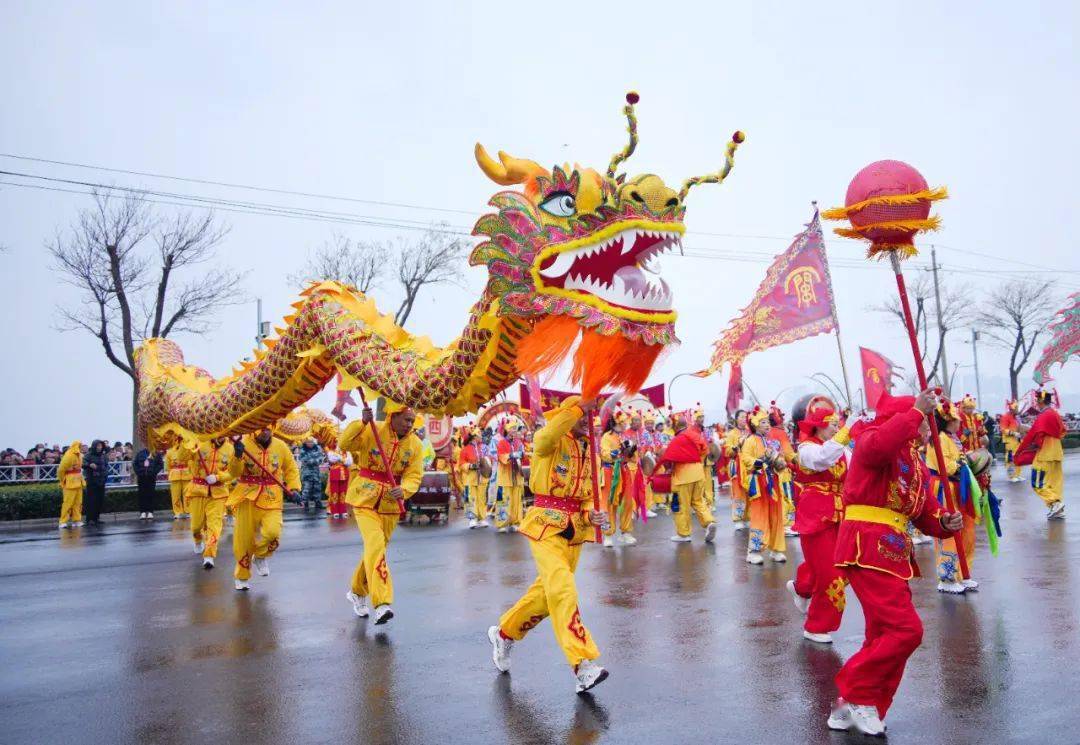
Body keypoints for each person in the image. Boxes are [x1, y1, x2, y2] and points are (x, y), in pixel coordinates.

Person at [829, 391, 962, 737]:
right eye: (922, 423)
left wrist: (943, 523)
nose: (925, 430)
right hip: (866, 544)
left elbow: (922, 512)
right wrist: (916, 412)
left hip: (893, 550)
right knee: (907, 630)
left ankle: (853, 706)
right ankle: (856, 691)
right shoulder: (873, 437)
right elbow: (878, 448)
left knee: (883, 634)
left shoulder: (916, 462)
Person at [487, 395, 611, 694]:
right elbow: (544, 437)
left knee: (547, 596)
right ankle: (582, 665)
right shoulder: (551, 439)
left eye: (589, 413)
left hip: (574, 532)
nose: (586, 418)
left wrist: (591, 513)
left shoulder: (589, 449)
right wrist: (579, 407)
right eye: (580, 413)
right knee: (563, 590)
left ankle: (504, 633)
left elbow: (585, 495)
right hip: (545, 526)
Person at [340, 401, 424, 625]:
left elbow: (414, 475)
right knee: (375, 545)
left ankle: (357, 591)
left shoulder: (415, 444)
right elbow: (344, 442)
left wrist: (404, 489)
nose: (410, 425)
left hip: (390, 504)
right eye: (406, 420)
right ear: (393, 416)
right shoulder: (372, 429)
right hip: (364, 498)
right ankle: (382, 603)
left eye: (412, 421)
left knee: (374, 551)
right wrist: (361, 423)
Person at [789, 405, 850, 643]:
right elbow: (823, 460)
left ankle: (802, 587)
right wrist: (849, 431)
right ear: (820, 425)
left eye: (839, 423)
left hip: (841, 514)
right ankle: (816, 625)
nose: (838, 427)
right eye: (834, 424)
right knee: (831, 574)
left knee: (842, 569)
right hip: (815, 516)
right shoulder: (807, 449)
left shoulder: (842, 449)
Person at [226, 428, 301, 591]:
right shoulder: (243, 443)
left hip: (272, 496)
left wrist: (294, 488)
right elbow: (233, 472)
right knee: (243, 539)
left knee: (273, 533)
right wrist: (237, 456)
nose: (265, 431)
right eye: (262, 428)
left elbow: (291, 468)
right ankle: (242, 575)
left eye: (269, 428)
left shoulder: (280, 446)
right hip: (247, 496)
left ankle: (260, 555)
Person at [926, 401, 978, 594]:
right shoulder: (939, 438)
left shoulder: (951, 437)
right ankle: (946, 577)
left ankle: (963, 574)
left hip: (957, 486)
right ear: (948, 421)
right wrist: (963, 464)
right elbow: (945, 466)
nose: (959, 423)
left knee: (967, 529)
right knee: (948, 529)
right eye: (956, 419)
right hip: (943, 486)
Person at [660, 413, 717, 544]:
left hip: (683, 476)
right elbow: (705, 451)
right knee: (698, 501)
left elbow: (667, 459)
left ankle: (684, 534)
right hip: (698, 472)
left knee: (681, 505)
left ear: (675, 426)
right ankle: (709, 522)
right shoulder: (696, 435)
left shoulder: (676, 440)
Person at [741, 407, 787, 564]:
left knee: (776, 515)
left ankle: (776, 549)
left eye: (768, 422)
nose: (767, 425)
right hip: (759, 482)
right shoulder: (750, 440)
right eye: (763, 422)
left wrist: (780, 462)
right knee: (759, 516)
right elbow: (745, 459)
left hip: (772, 481)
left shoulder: (772, 442)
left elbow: (779, 461)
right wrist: (760, 460)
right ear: (755, 424)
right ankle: (753, 551)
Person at [1016, 389, 1066, 519]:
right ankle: (1057, 508)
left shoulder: (1044, 415)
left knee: (1037, 483)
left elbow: (1036, 435)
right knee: (1054, 483)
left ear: (1041, 401)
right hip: (1057, 453)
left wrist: (1024, 448)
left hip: (1045, 453)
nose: (1037, 404)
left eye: (1038, 401)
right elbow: (1063, 432)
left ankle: (1054, 504)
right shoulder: (1055, 414)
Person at [187, 438, 231, 569]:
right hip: (198, 491)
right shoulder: (199, 443)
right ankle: (197, 539)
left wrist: (218, 477)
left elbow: (233, 472)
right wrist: (186, 442)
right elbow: (182, 457)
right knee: (196, 526)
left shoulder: (231, 449)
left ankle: (209, 555)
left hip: (218, 493)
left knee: (214, 526)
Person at [767, 402, 799, 537]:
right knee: (787, 496)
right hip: (782, 470)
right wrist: (799, 462)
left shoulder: (768, 433)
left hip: (771, 471)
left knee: (779, 497)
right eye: (781, 416)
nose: (784, 419)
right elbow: (789, 453)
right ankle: (787, 524)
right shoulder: (780, 433)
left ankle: (780, 523)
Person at [494, 417, 527, 533]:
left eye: (515, 429)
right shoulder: (502, 443)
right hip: (505, 477)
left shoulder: (518, 442)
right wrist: (511, 455)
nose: (514, 431)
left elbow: (523, 456)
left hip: (516, 477)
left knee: (516, 501)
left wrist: (521, 454)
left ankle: (515, 522)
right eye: (512, 429)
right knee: (504, 500)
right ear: (507, 430)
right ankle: (502, 523)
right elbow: (501, 457)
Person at [723, 410, 750, 530]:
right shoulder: (732, 434)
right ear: (736, 419)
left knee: (750, 492)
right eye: (742, 417)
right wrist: (736, 446)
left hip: (749, 466)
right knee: (738, 493)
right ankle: (738, 519)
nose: (744, 419)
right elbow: (727, 451)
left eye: (746, 417)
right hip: (737, 466)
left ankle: (747, 517)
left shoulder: (750, 432)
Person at [457, 427, 489, 528]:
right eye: (479, 435)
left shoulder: (483, 448)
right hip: (470, 478)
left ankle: (482, 518)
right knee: (471, 498)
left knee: (482, 498)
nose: (481, 436)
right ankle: (473, 519)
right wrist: (470, 466)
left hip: (482, 477)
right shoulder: (465, 450)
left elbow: (488, 460)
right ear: (474, 437)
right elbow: (461, 464)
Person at [57, 440, 85, 529]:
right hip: (70, 482)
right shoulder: (68, 455)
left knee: (78, 503)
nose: (81, 448)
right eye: (80, 446)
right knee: (68, 503)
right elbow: (61, 470)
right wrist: (62, 480)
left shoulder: (80, 455)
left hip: (79, 481)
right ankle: (63, 521)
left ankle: (76, 520)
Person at [82, 439, 109, 526]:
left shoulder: (104, 456)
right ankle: (90, 519)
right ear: (94, 446)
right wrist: (89, 465)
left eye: (100, 446)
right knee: (91, 501)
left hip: (101, 480)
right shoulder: (88, 455)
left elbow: (106, 466)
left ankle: (97, 518)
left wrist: (105, 476)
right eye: (98, 446)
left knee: (99, 501)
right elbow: (82, 463)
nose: (99, 448)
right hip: (92, 480)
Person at [133, 446, 164, 519]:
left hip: (151, 477)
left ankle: (150, 512)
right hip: (142, 477)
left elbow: (160, 464)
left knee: (151, 494)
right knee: (141, 494)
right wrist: (139, 472)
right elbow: (135, 464)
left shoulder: (156, 453)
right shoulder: (140, 453)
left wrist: (154, 472)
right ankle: (142, 512)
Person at [165, 439, 193, 520]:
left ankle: (189, 511)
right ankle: (177, 512)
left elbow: (190, 463)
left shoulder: (187, 450)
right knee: (175, 495)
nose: (178, 442)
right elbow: (167, 466)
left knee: (187, 494)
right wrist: (169, 474)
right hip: (175, 476)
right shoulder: (169, 452)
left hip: (186, 475)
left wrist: (192, 474)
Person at [297, 438, 325, 512]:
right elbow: (305, 460)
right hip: (307, 473)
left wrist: (314, 461)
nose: (310, 443)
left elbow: (321, 458)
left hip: (316, 473)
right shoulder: (303, 450)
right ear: (305, 443)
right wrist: (315, 461)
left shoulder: (318, 448)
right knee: (306, 489)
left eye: (311, 442)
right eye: (308, 442)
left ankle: (318, 503)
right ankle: (305, 503)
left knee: (317, 488)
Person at [999, 400, 1023, 482]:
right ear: (1012, 408)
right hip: (1010, 441)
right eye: (1016, 408)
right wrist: (1013, 433)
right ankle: (1011, 476)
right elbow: (1002, 429)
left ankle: (1018, 475)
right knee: (1010, 458)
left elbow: (1020, 427)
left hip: (1017, 441)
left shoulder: (1016, 417)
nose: (1018, 409)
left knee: (1019, 457)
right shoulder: (1005, 417)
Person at [325, 451, 351, 519]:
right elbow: (332, 459)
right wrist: (343, 459)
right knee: (334, 493)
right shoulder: (331, 451)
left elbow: (349, 462)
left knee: (343, 493)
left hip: (344, 474)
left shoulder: (347, 451)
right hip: (335, 474)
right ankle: (334, 511)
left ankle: (343, 510)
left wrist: (340, 458)